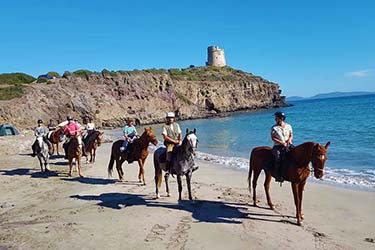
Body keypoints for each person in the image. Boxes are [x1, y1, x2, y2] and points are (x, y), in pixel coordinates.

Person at [271, 111, 293, 182]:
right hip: (278, 146)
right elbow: (273, 138)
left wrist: (289, 140)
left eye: (276, 118)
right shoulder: (274, 128)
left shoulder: (288, 126)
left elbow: (291, 135)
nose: (275, 119)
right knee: (278, 157)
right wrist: (282, 143)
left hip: (288, 145)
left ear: (281, 118)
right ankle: (278, 175)